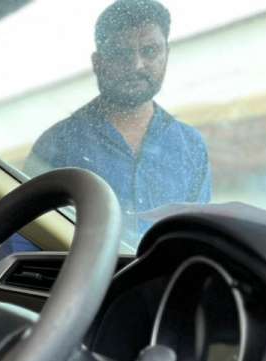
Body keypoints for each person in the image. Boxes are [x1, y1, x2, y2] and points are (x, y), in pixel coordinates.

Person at [26, 0, 210, 240]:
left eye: (150, 51)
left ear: (167, 55)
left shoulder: (191, 147)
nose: (136, 65)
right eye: (121, 53)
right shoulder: (57, 145)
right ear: (97, 63)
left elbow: (198, 238)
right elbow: (25, 240)